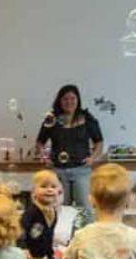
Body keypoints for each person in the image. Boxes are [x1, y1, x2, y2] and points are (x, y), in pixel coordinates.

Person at [35, 84, 104, 223]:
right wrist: (44, 157)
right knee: (60, 209)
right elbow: (39, 142)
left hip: (82, 170)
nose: (69, 102)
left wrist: (93, 158)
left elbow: (99, 141)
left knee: (85, 209)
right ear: (60, 101)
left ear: (78, 100)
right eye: (65, 99)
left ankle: (87, 235)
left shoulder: (87, 118)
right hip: (58, 171)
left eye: (72, 98)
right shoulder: (52, 119)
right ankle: (62, 236)